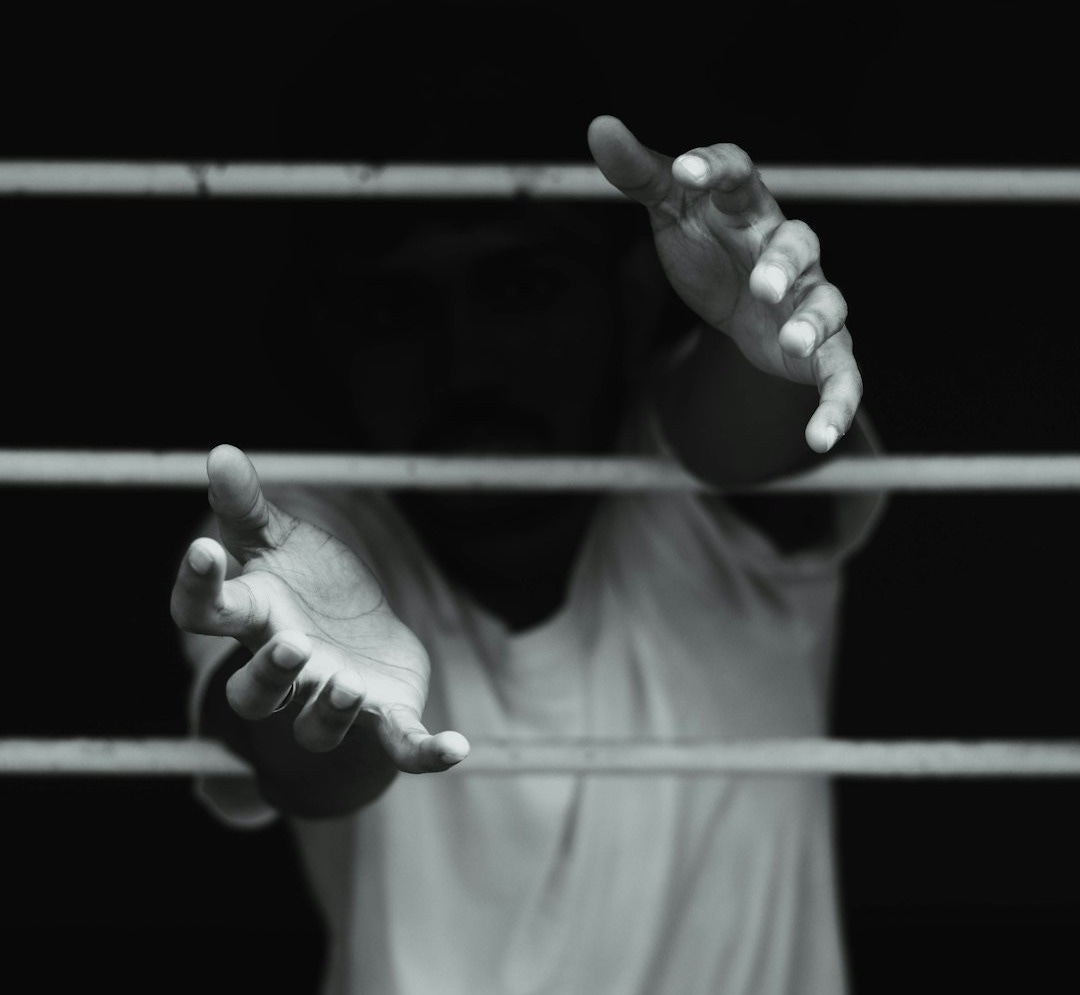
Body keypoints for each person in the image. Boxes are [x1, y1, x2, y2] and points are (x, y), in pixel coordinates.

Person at [170, 16, 885, 995]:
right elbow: (298, 759)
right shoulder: (295, 535)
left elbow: (751, 430)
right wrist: (321, 699)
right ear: (328, 335)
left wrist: (771, 339)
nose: (465, 362)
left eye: (520, 285)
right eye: (395, 309)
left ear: (629, 298)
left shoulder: (705, 505)